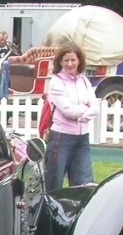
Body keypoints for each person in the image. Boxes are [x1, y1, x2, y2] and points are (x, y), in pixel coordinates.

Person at [44, 43, 98, 191]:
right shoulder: (56, 82)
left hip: (82, 140)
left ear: (79, 61)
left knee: (85, 185)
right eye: (66, 60)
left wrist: (80, 115)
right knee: (54, 184)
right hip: (61, 139)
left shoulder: (85, 81)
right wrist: (84, 112)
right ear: (60, 62)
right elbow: (67, 110)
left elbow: (95, 107)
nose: (70, 64)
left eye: (73, 60)